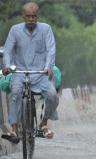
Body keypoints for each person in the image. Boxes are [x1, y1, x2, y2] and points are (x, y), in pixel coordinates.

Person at [1, 2, 59, 143]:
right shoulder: (15, 30)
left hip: (41, 73)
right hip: (20, 73)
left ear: (37, 16)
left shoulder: (46, 29)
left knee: (52, 95)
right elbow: (7, 50)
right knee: (15, 93)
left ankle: (43, 123)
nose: (31, 19)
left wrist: (48, 67)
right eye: (28, 16)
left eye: (34, 16)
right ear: (23, 16)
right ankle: (14, 129)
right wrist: (8, 65)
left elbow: (51, 50)